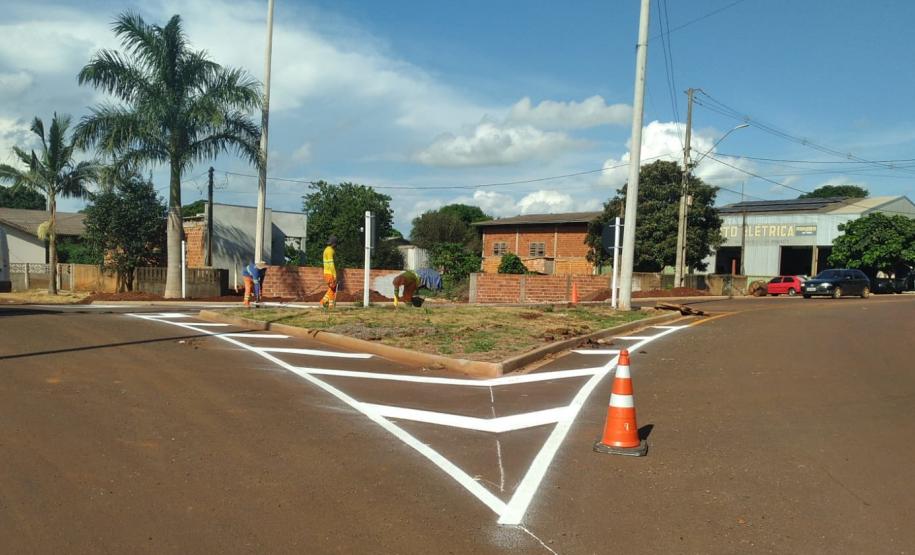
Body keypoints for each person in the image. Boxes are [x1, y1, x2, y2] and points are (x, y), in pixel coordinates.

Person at [321, 236, 338, 309]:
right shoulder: (330, 251)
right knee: (333, 289)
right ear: (334, 244)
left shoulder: (326, 250)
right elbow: (331, 264)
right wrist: (334, 274)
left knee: (332, 289)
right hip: (330, 273)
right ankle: (326, 303)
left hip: (326, 273)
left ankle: (328, 304)